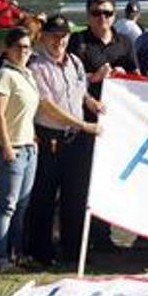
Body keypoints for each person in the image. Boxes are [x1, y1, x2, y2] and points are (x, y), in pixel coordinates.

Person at [27, 15, 102, 267]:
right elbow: (46, 105)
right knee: (45, 195)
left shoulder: (75, 62)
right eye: (54, 36)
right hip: (51, 137)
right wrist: (82, 124)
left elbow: (82, 93)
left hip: (76, 139)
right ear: (44, 37)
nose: (59, 40)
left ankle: (73, 250)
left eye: (63, 36)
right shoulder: (36, 67)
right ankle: (41, 251)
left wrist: (94, 104)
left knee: (76, 195)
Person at [69, 0, 138, 253]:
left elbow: (137, 76)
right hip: (85, 118)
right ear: (88, 15)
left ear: (115, 16)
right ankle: (81, 238)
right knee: (83, 178)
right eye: (97, 13)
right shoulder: (78, 41)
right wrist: (94, 78)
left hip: (116, 118)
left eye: (108, 13)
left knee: (109, 176)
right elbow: (70, 79)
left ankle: (105, 235)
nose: (102, 18)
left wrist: (125, 76)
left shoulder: (125, 42)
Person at [0, 28, 40, 272]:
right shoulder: (4, 75)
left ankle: (15, 254)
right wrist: (6, 146)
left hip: (29, 147)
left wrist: (33, 138)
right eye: (18, 47)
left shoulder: (27, 74)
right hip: (11, 148)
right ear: (8, 49)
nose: (23, 51)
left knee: (22, 206)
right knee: (6, 205)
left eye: (27, 47)